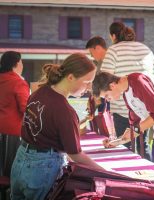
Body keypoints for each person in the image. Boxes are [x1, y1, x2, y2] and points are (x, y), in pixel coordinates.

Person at [10, 53, 104, 200]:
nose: (89, 88)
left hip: (21, 160)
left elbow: (47, 127)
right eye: (87, 82)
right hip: (42, 169)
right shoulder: (64, 110)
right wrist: (104, 172)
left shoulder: (39, 92)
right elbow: (75, 154)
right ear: (71, 77)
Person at [92, 71, 154, 169]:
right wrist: (117, 142)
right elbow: (135, 127)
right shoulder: (126, 94)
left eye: (107, 96)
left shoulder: (138, 81)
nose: (108, 100)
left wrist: (134, 131)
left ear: (112, 86)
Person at [101, 22, 154, 160]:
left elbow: (104, 80)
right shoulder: (146, 49)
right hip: (144, 109)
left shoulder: (113, 50)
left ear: (113, 36)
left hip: (122, 108)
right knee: (143, 146)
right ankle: (149, 177)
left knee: (124, 147)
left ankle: (126, 180)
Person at [0, 51, 30, 178]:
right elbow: (26, 108)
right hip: (10, 132)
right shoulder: (18, 82)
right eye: (22, 62)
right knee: (9, 170)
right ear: (17, 63)